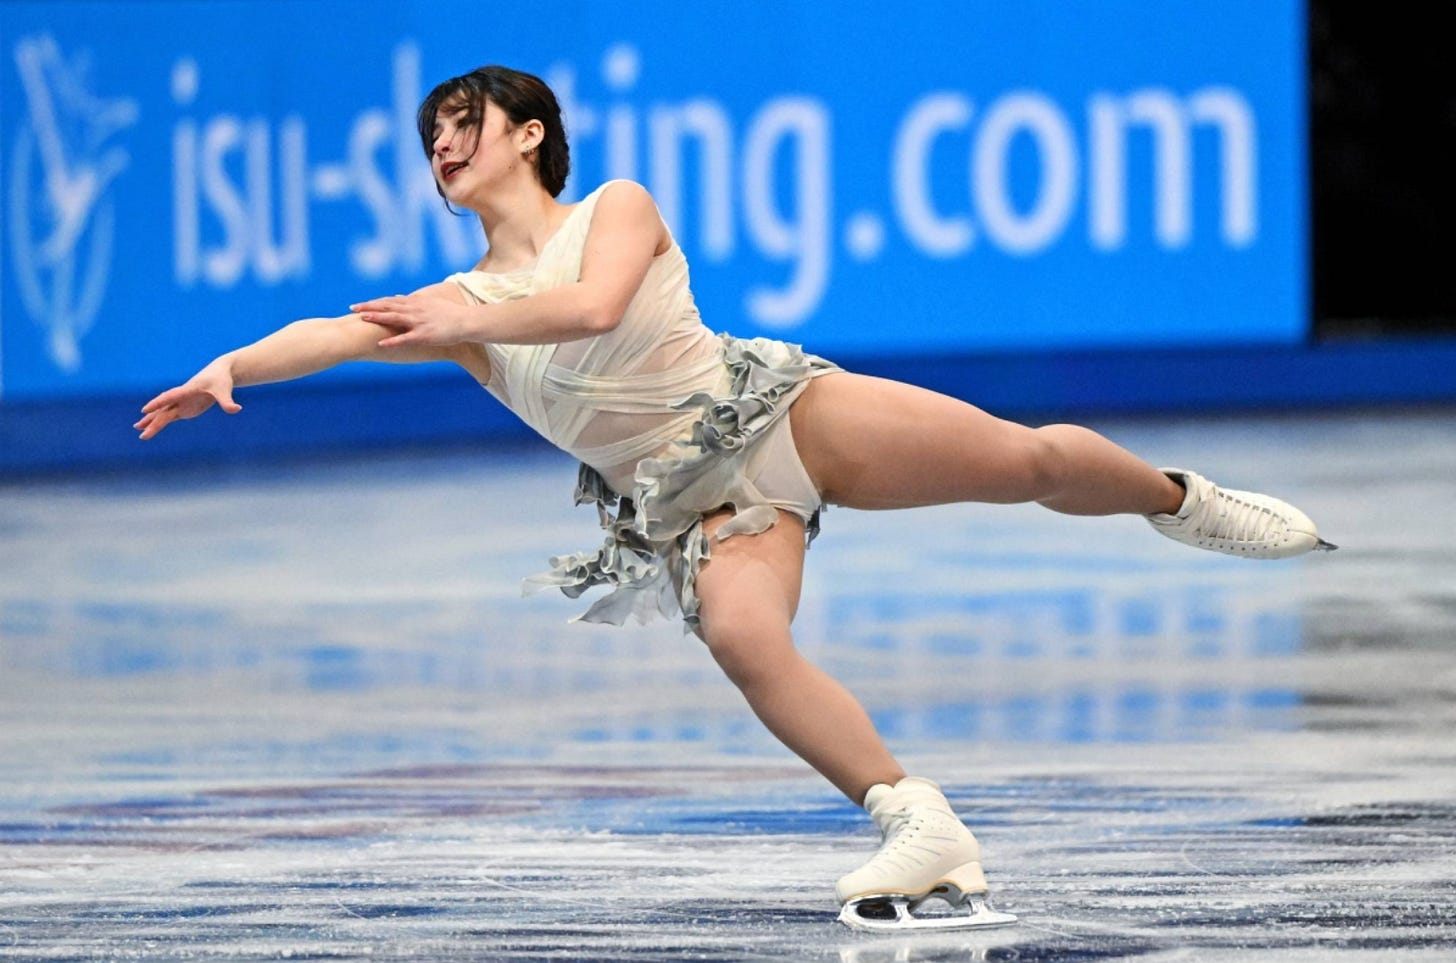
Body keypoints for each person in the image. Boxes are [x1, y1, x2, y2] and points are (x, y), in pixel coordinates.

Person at [135, 65, 1334, 932]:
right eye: (429, 136)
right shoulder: (454, 308)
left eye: (464, 123)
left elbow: (597, 306)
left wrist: (466, 319)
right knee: (744, 639)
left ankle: (1177, 498)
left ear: (529, 134)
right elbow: (334, 331)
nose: (443, 146)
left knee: (1023, 462)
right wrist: (233, 365)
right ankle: (916, 822)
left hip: (776, 417)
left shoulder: (612, 209)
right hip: (696, 502)